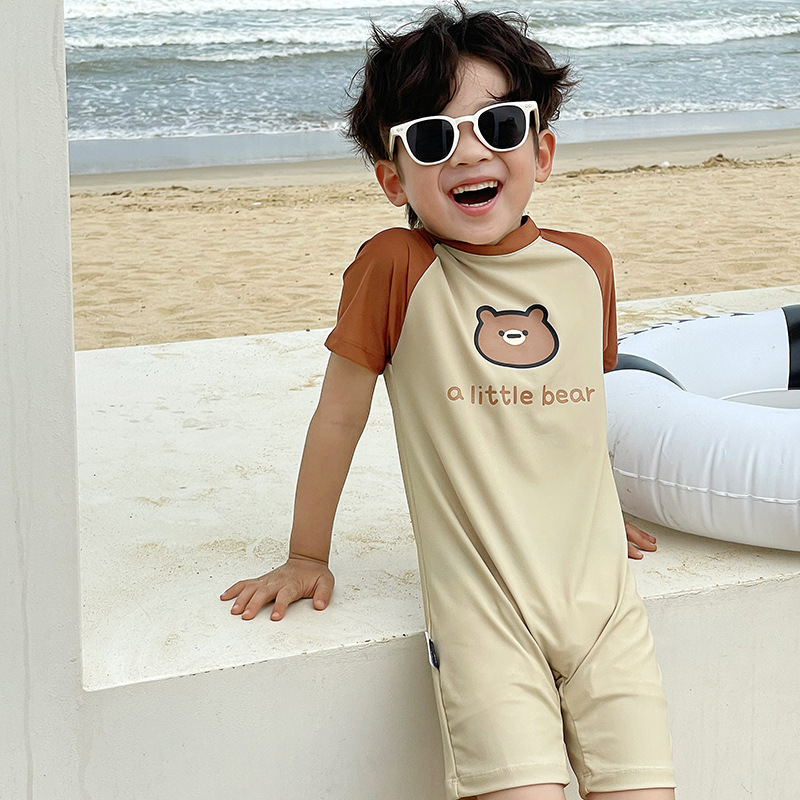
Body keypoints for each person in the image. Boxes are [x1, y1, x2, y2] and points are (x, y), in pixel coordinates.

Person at [220, 4, 677, 799]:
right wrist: (307, 555)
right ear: (393, 177)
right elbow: (339, 416)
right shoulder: (397, 267)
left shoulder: (586, 266)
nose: (469, 151)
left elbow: (572, 411)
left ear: (541, 151)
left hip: (605, 605)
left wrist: (601, 502)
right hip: (483, 614)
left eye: (498, 125)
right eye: (433, 138)